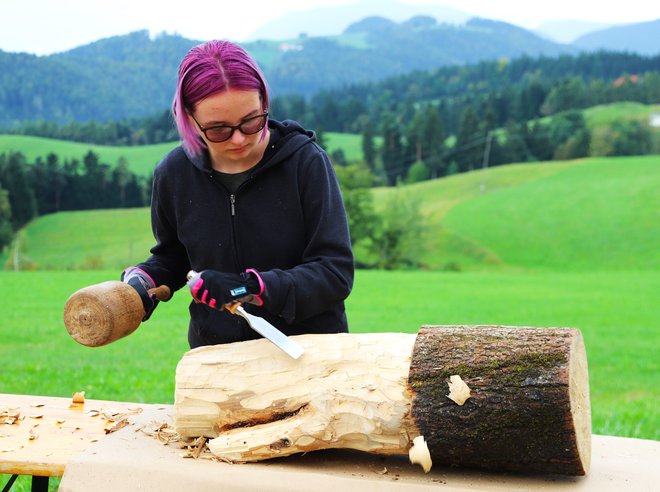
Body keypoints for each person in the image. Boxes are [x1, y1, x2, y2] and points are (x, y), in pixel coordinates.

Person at [121, 40, 354, 349]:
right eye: (218, 129)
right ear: (190, 119)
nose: (239, 139)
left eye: (251, 121)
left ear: (264, 102)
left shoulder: (305, 163)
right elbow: (175, 257)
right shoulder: (174, 173)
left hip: (311, 352)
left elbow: (334, 272)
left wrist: (252, 287)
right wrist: (143, 281)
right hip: (218, 357)